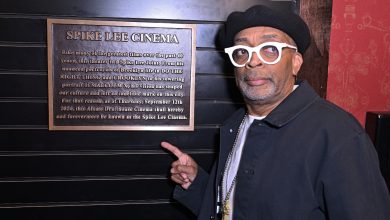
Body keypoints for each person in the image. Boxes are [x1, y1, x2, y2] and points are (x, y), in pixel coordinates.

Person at [161, 4, 390, 220]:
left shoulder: (339, 136)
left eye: (270, 49)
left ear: (296, 63)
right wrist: (198, 183)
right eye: (241, 51)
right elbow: (236, 206)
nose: (252, 61)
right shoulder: (236, 125)